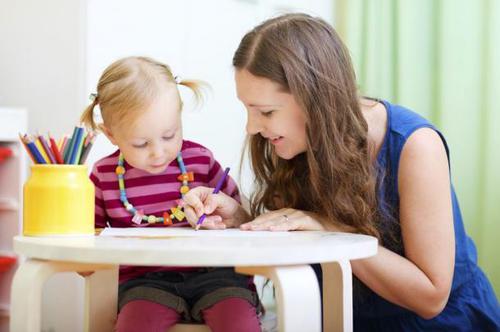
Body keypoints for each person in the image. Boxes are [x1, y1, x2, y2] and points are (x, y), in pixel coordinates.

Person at [182, 13, 500, 331]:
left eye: (266, 112)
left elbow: (431, 297)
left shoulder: (415, 146)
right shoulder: (298, 144)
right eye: (248, 109)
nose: (252, 127)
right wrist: (241, 218)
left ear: (315, 99)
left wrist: (330, 231)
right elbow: (302, 228)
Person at [80, 56, 261, 332]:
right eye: (141, 143)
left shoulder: (200, 161)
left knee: (239, 324)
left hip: (217, 276)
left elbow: (245, 220)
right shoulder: (104, 176)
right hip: (145, 283)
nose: (158, 152)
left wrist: (221, 219)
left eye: (169, 135)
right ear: (111, 134)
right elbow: (86, 242)